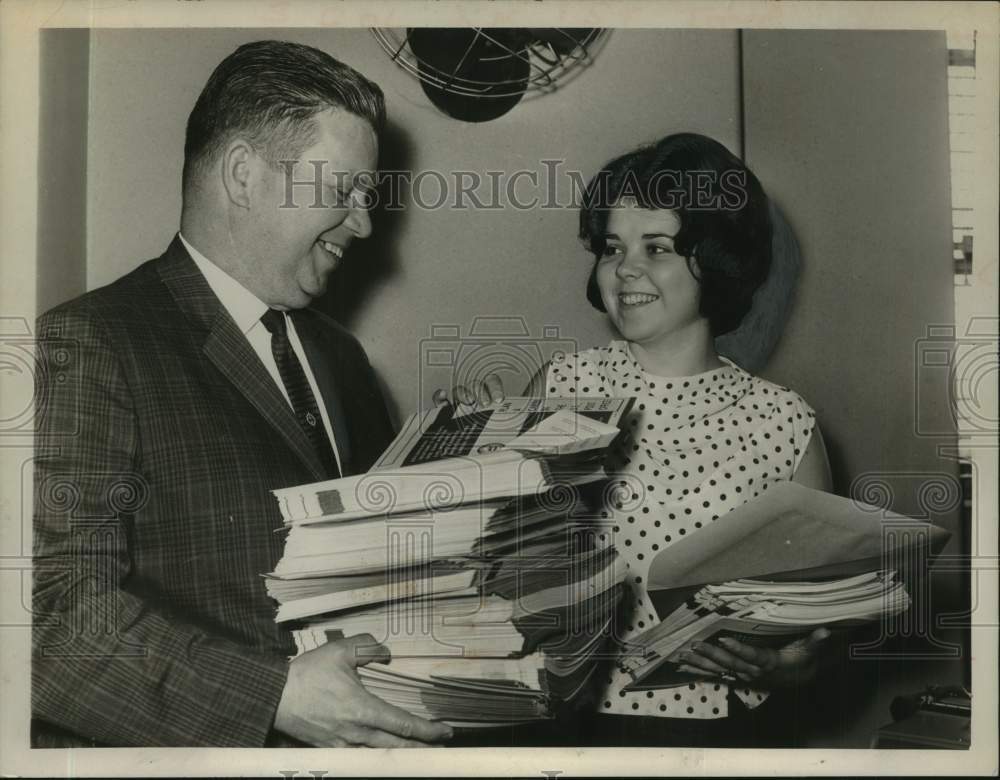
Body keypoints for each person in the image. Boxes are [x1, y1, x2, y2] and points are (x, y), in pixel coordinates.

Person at [31, 40, 453, 748]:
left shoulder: (343, 360)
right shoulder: (87, 344)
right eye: (342, 190)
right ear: (243, 175)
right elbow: (46, 618)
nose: (364, 223)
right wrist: (274, 696)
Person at [524, 132, 836, 746]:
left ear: (715, 261)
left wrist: (791, 667)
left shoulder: (786, 423)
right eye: (612, 247)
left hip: (728, 736)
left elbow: (817, 627)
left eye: (657, 247)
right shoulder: (560, 387)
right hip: (574, 730)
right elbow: (498, 566)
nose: (625, 268)